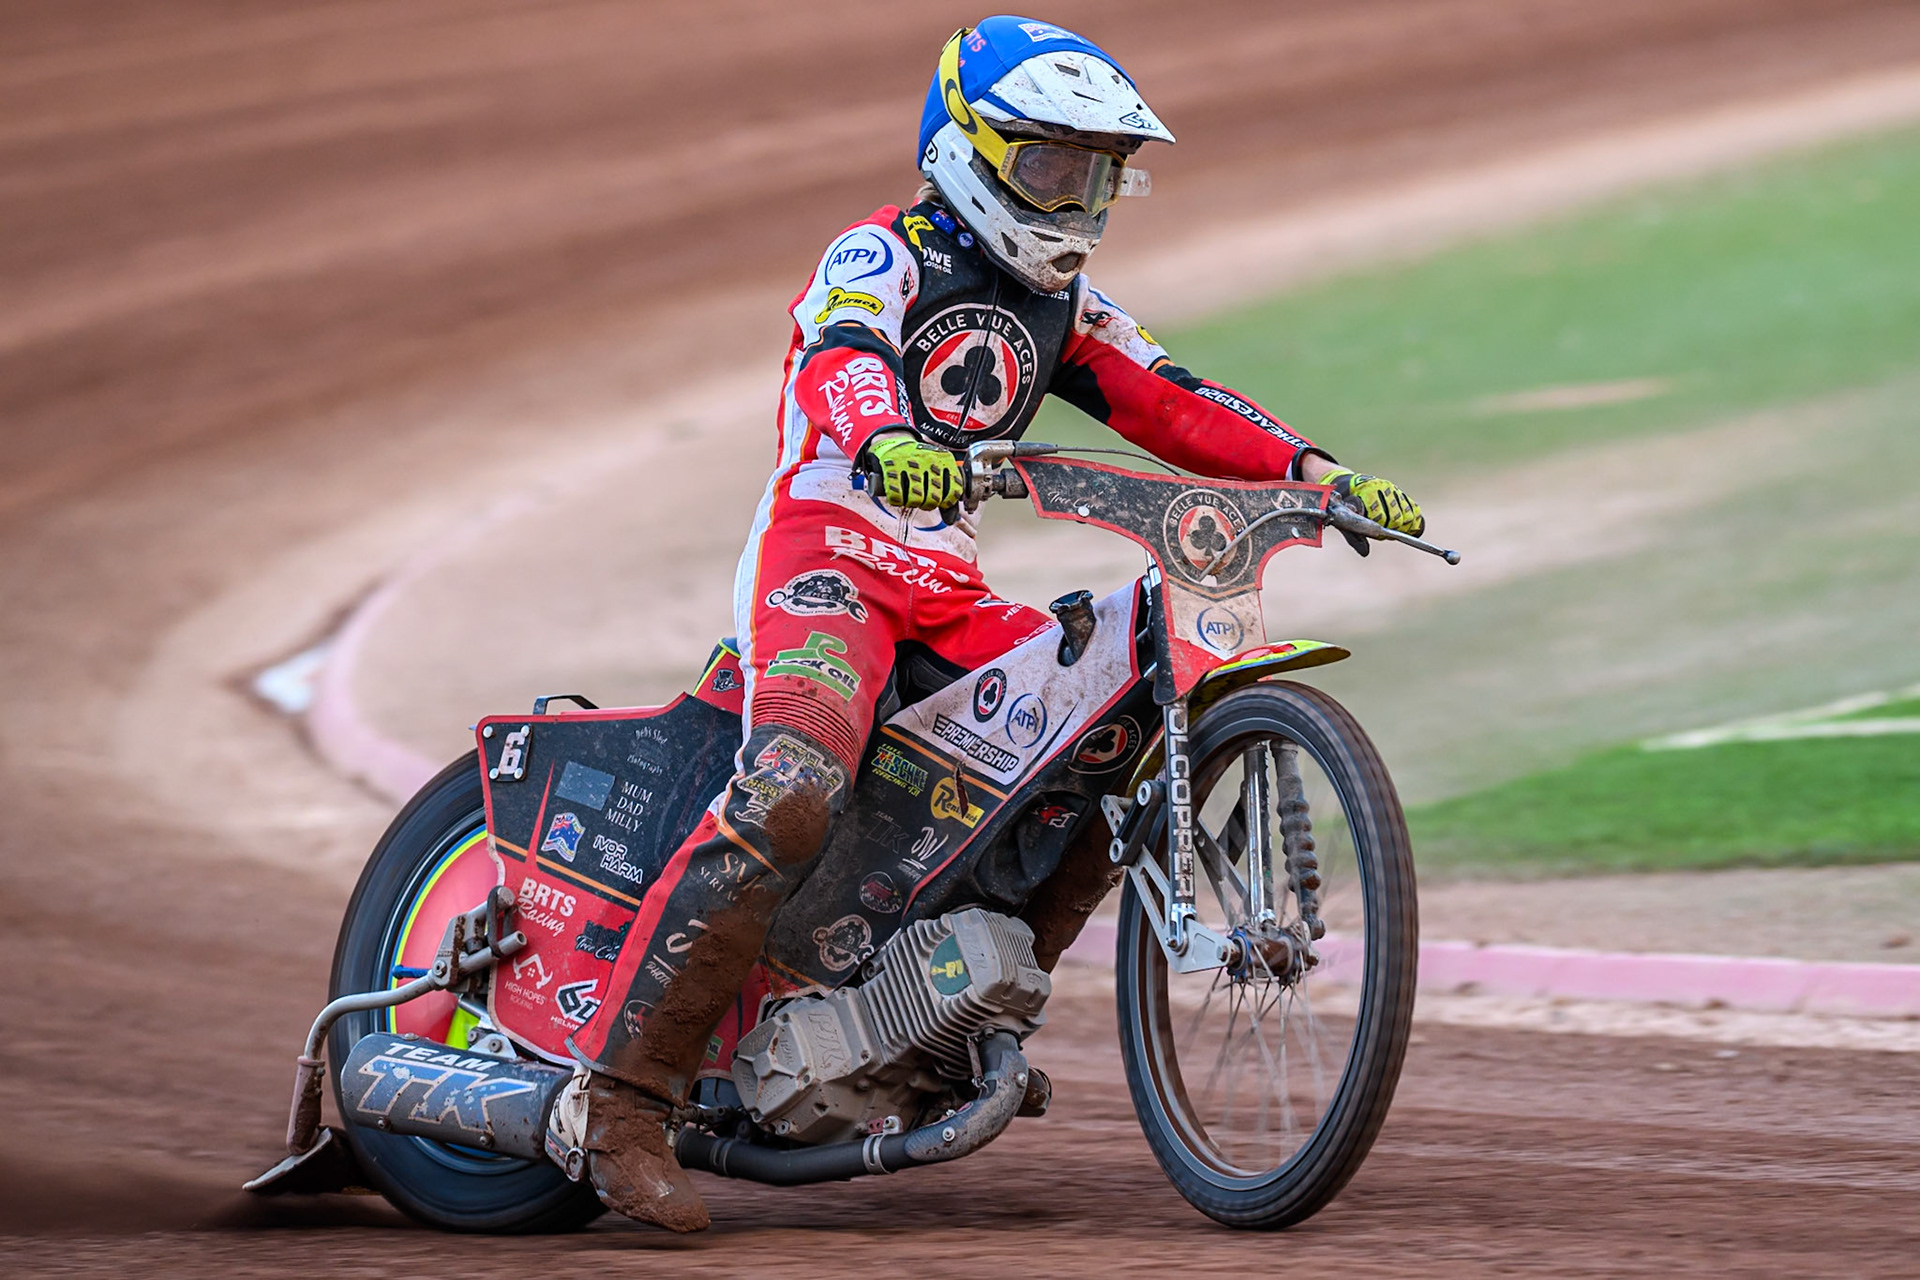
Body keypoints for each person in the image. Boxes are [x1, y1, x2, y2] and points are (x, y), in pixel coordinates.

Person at [552, 16, 1426, 1231]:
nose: (1077, 198)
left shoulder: (1070, 305)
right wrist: (887, 441)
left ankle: (949, 1014)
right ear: (967, 149)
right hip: (828, 568)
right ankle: (621, 1099)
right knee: (796, 787)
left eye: (1099, 173)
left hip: (947, 592)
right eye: (1053, 166)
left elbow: (1173, 401)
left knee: (1106, 729)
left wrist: (1315, 472)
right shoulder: (880, 254)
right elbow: (842, 359)